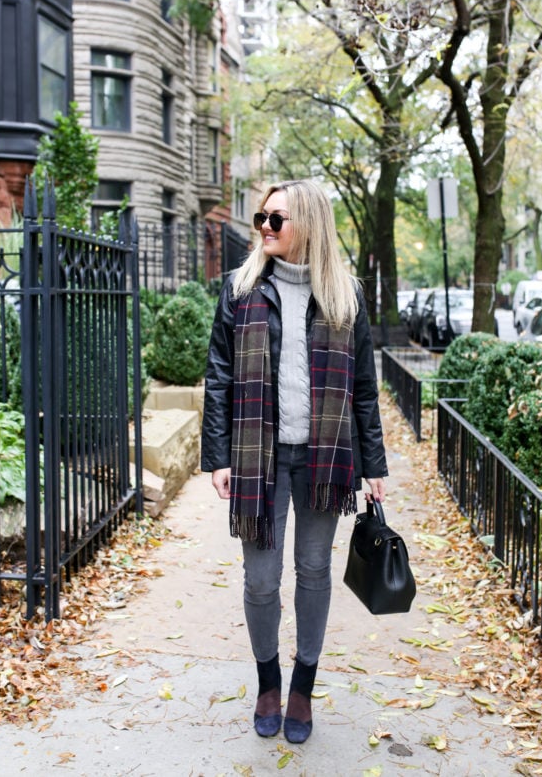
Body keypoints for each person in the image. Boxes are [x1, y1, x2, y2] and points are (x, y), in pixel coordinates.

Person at [201, 180, 388, 744]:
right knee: (260, 580)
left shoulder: (344, 295)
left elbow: (363, 390)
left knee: (312, 571)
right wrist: (216, 456)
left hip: (323, 459)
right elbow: (220, 377)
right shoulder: (240, 289)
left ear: (307, 222)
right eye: (261, 217)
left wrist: (374, 465)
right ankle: (267, 681)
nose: (264, 226)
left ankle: (303, 686)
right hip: (259, 458)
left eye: (275, 218)